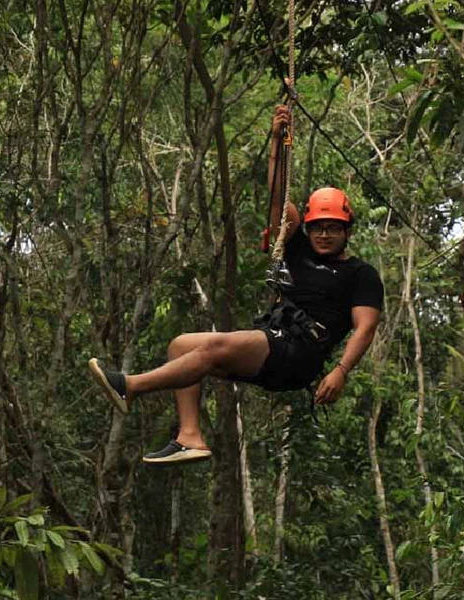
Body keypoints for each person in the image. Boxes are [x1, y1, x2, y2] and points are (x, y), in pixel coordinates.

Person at [88, 106, 384, 464]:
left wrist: (341, 371)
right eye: (318, 227)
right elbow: (278, 197)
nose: (324, 234)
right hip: (275, 338)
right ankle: (190, 437)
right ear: (308, 228)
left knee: (212, 346)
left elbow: (365, 328)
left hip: (301, 351)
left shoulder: (360, 273)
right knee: (181, 344)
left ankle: (130, 386)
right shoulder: (296, 246)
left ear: (346, 231)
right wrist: (277, 141)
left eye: (333, 227)